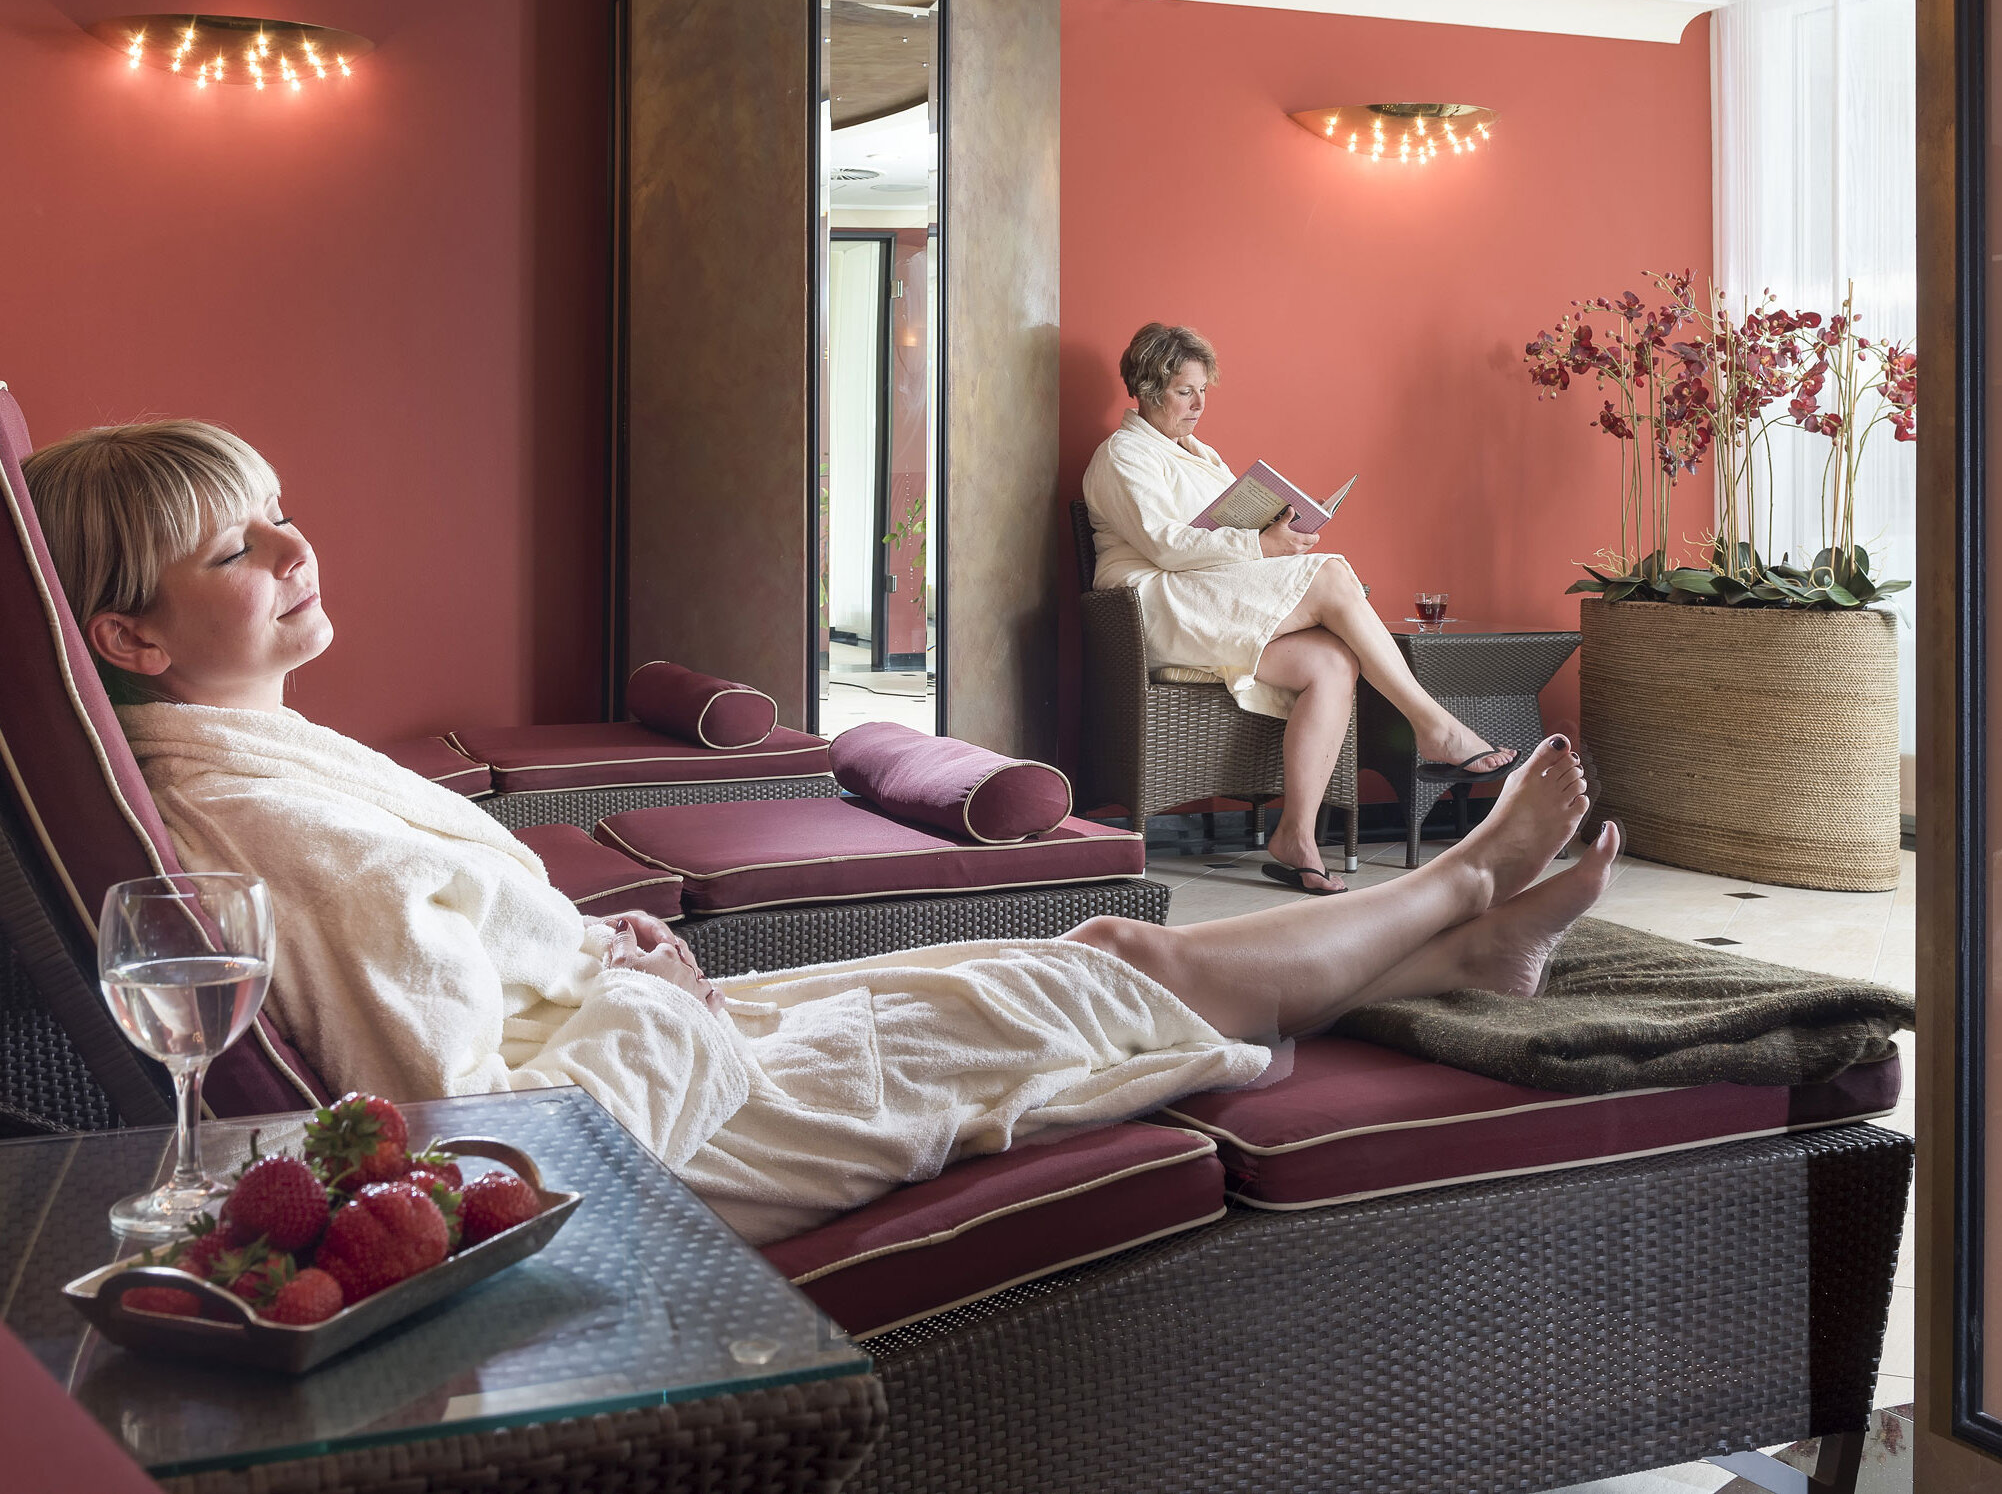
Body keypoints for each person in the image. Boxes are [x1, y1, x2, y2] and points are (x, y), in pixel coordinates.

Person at [25, 418, 1617, 1248]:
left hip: (636, 1033)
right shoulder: (250, 822)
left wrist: (607, 947)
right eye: (241, 544)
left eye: (279, 504)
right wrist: (638, 986)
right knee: (1097, 977)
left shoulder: (260, 751)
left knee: (1091, 941)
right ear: (135, 638)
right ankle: (1467, 879)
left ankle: (1469, 932)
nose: (299, 544)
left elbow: (471, 985)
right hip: (665, 1144)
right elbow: (467, 1130)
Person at [1083, 323, 1518, 896]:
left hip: (1211, 597)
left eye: (1204, 390)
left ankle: (1296, 835)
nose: (1199, 405)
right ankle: (1433, 727)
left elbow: (1217, 528)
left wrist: (1276, 529)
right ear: (1146, 386)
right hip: (1156, 605)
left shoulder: (1199, 453)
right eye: (1185, 391)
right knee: (1333, 575)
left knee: (1333, 664)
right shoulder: (1122, 455)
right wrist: (1263, 546)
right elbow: (1165, 544)